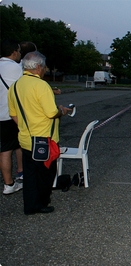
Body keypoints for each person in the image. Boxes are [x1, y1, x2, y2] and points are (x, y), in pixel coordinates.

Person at [8, 51, 71, 215]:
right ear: (37, 67)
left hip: (26, 138)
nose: (45, 70)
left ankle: (29, 206)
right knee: (46, 174)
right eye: (44, 67)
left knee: (30, 175)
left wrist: (25, 126)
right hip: (44, 139)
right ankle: (42, 203)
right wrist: (62, 110)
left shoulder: (15, 86)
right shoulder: (42, 86)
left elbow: (13, 114)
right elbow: (51, 112)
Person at [0, 39, 24, 194]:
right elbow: (26, 86)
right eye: (19, 51)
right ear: (14, 52)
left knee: (12, 145)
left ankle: (19, 174)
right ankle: (9, 183)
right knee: (9, 148)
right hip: (9, 114)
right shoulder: (15, 68)